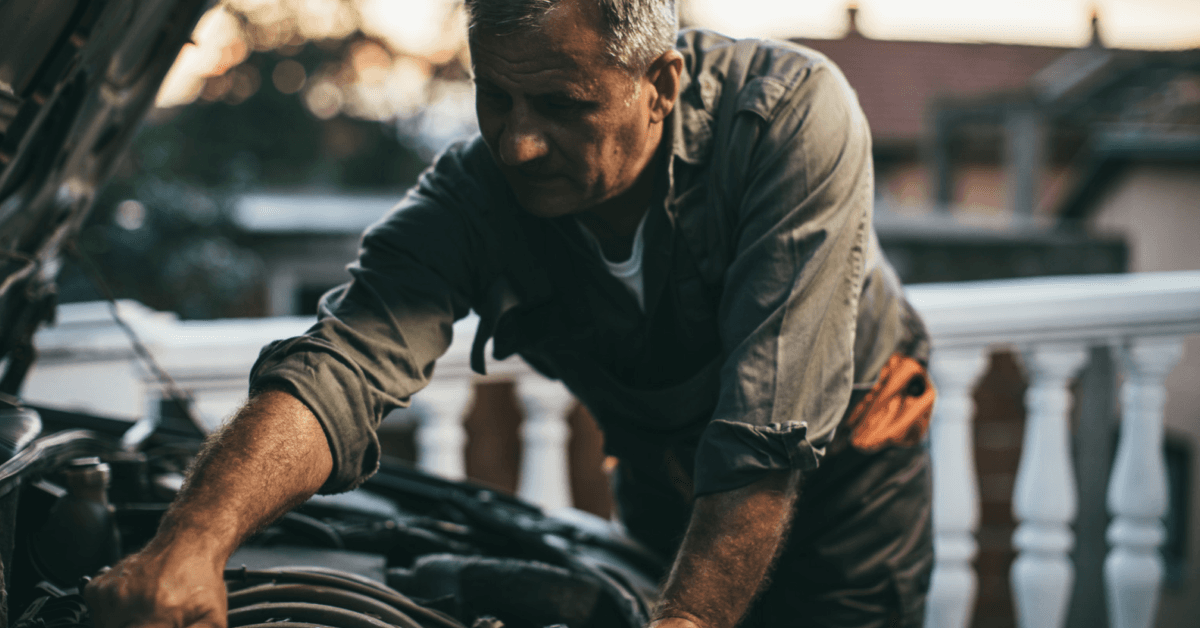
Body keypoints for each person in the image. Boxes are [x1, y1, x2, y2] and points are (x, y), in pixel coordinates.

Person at [85, 1, 937, 626]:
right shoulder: (476, 194)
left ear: (661, 85)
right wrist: (191, 539)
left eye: (562, 106)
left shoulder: (788, 120)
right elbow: (342, 364)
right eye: (497, 98)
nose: (519, 145)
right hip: (666, 481)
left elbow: (764, 432)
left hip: (845, 478)